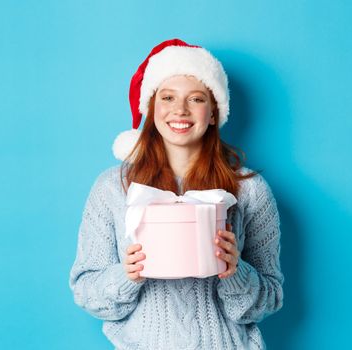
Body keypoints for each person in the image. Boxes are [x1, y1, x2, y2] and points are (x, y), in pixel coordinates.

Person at [69, 39, 284, 350]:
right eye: (167, 97)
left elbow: (270, 299)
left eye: (196, 99)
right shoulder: (112, 188)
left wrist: (235, 272)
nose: (180, 110)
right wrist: (127, 275)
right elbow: (87, 293)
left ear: (213, 113)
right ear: (152, 108)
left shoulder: (249, 189)